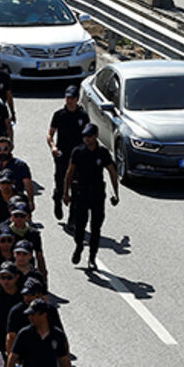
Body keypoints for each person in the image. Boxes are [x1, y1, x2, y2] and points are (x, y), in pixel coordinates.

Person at [63, 124, 119, 270]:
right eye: (85, 136)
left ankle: (92, 257)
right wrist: (66, 193)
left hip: (97, 194)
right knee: (80, 225)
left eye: (89, 136)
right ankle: (79, 246)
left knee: (96, 227)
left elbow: (112, 172)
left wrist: (116, 193)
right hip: (81, 193)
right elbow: (70, 172)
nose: (86, 139)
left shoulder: (102, 153)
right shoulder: (78, 152)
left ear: (95, 136)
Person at [45, 86, 90, 222]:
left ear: (77, 99)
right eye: (68, 98)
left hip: (78, 157)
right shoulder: (59, 115)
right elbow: (50, 134)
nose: (70, 101)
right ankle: (57, 198)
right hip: (62, 155)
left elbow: (88, 136)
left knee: (76, 188)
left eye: (73, 98)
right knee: (61, 183)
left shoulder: (83, 116)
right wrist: (53, 146)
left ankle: (72, 219)